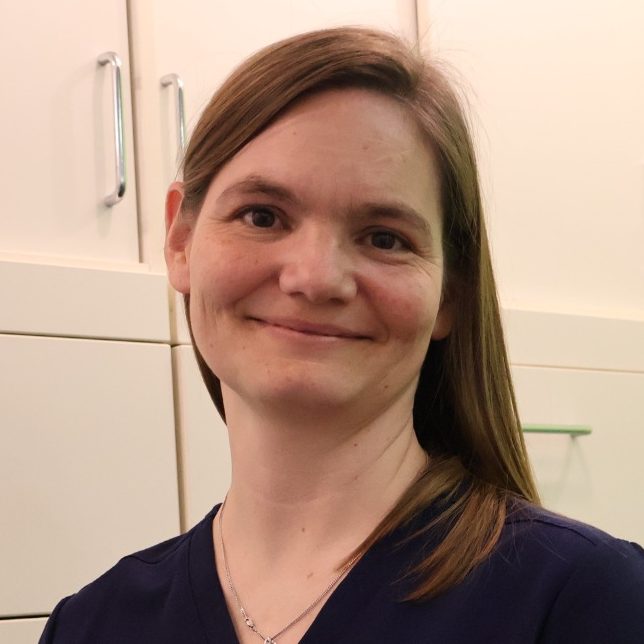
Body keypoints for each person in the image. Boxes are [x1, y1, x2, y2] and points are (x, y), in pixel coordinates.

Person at [40, 27, 644, 644]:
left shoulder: (588, 601)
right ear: (180, 241)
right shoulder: (90, 625)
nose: (315, 278)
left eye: (385, 238)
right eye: (262, 216)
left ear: (450, 295)